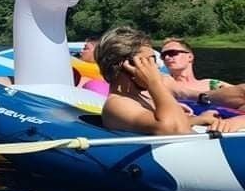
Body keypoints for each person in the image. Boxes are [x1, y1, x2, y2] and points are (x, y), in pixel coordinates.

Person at [96, 26, 244, 134]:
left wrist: (196, 120)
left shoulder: (136, 98)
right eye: (150, 60)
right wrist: (154, 83)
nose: (156, 67)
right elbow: (176, 128)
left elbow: (164, 121)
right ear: (129, 65)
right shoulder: (117, 104)